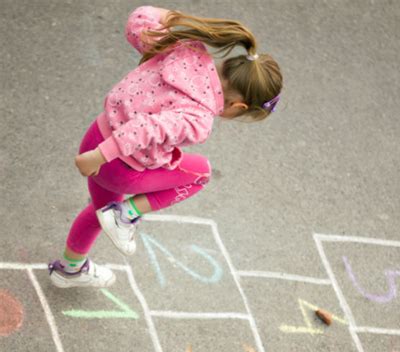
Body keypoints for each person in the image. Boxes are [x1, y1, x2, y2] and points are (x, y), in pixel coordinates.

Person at [48, 5, 283, 288]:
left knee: (101, 212)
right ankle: (126, 215)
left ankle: (69, 270)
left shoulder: (187, 50)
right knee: (201, 174)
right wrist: (100, 157)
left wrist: (172, 19)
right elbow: (147, 128)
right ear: (238, 106)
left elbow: (139, 22)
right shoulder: (199, 118)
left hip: (95, 135)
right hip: (116, 163)